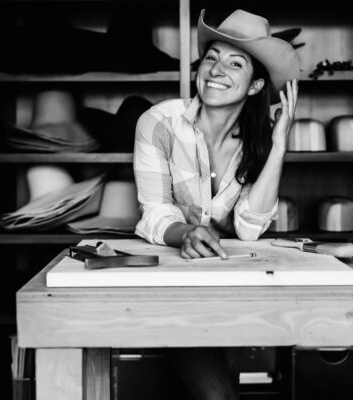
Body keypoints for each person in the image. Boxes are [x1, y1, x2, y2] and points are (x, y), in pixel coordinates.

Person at [133, 8, 300, 400]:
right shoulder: (159, 123)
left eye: (234, 62)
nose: (216, 69)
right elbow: (155, 211)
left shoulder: (258, 144)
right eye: (211, 57)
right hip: (171, 283)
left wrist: (278, 147)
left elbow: (248, 228)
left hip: (234, 283)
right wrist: (185, 232)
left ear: (256, 86)